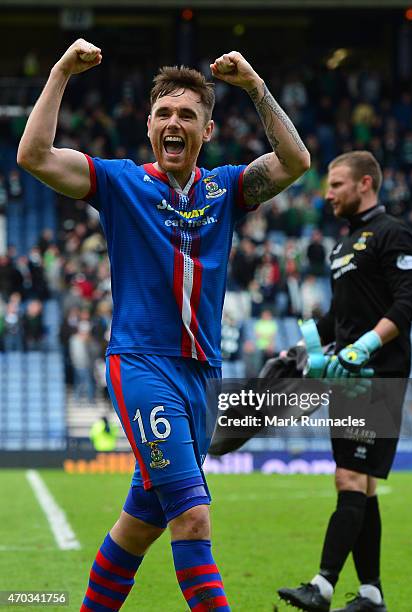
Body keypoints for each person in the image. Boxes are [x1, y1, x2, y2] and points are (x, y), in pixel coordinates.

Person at [17, 39, 310, 611]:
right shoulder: (121, 182)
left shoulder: (226, 188)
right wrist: (58, 72)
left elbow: (296, 162)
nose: (174, 123)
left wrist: (253, 87)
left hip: (202, 376)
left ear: (207, 130)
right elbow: (34, 155)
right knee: (193, 518)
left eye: (188, 115)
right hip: (143, 365)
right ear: (149, 125)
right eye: (164, 114)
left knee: (138, 525)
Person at [278, 151, 412, 612]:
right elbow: (339, 318)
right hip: (348, 376)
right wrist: (299, 348)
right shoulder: (343, 247)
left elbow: (405, 306)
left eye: (336, 184)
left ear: (365, 183)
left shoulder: (393, 235)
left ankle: (322, 585)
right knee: (365, 485)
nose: (327, 193)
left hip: (377, 375)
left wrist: (365, 348)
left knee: (348, 476)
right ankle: (372, 593)